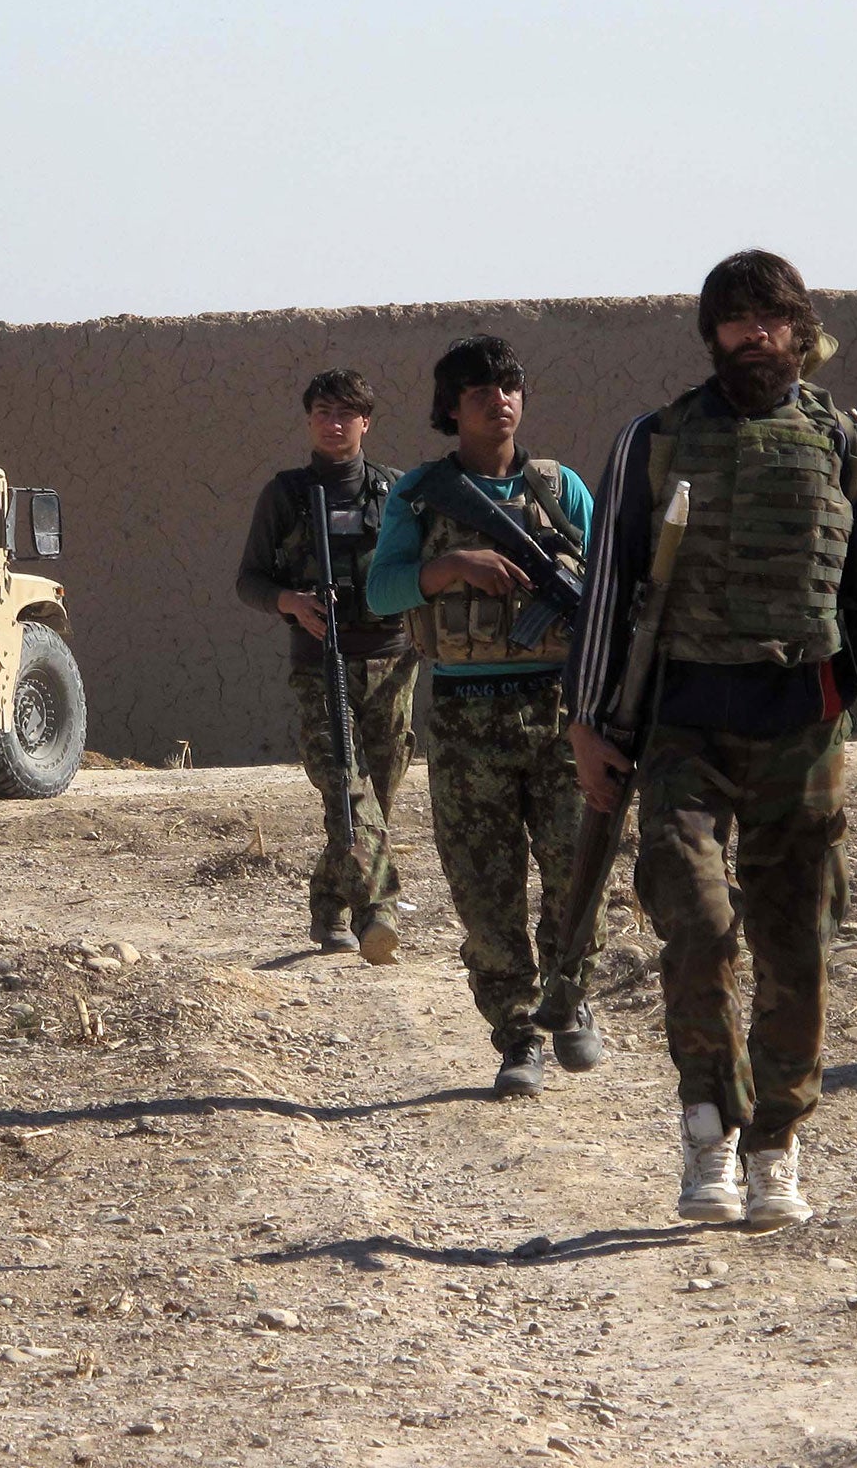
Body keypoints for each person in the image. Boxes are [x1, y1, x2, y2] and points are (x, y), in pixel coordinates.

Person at [564, 249, 857, 1229]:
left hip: (802, 731)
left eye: (768, 319)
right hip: (681, 727)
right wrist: (584, 725)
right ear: (710, 336)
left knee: (792, 942)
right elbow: (608, 590)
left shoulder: (842, 441)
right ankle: (707, 1130)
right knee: (694, 924)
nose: (750, 336)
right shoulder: (653, 440)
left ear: (800, 333)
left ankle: (774, 1145)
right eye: (732, 320)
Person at [367, 336, 602, 1099]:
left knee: (578, 871)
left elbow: (611, 589)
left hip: (558, 711)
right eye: (478, 390)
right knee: (485, 888)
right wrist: (451, 568)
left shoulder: (559, 489)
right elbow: (381, 592)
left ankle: (570, 1001)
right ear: (450, 408)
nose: (498, 399)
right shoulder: (421, 495)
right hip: (467, 718)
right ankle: (517, 1035)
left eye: (509, 385)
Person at [235, 368, 417, 961]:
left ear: (366, 421)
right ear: (309, 420)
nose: (333, 425)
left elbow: (420, 569)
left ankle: (327, 900)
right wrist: (289, 602)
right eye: (321, 414)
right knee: (344, 786)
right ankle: (378, 912)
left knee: (376, 799)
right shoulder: (285, 495)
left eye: (345, 414)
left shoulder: (395, 491)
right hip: (320, 662)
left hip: (390, 662)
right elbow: (250, 580)